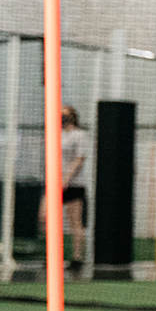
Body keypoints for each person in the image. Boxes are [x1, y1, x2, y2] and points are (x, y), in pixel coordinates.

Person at [53, 104, 87, 273]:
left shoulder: (79, 135)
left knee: (75, 222)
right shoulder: (56, 135)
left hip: (73, 184)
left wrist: (66, 179)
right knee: (49, 219)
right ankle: (53, 256)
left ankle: (77, 258)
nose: (63, 117)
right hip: (55, 182)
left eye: (66, 115)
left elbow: (79, 159)